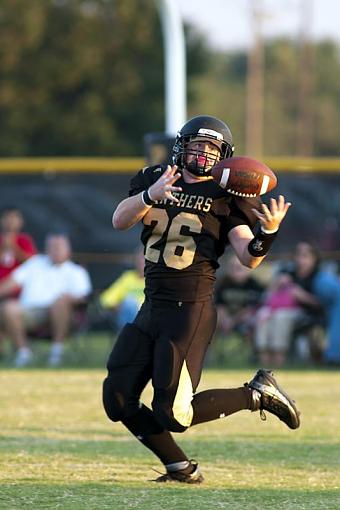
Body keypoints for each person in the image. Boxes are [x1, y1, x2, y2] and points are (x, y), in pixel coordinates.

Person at [102, 115, 300, 484]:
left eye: (213, 148)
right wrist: (149, 196)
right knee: (117, 397)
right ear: (182, 145)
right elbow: (119, 220)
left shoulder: (229, 196)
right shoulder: (154, 176)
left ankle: (256, 394)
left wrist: (267, 233)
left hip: (189, 310)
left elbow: (248, 255)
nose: (205, 153)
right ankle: (181, 469)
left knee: (173, 415)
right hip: (152, 305)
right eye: (198, 145)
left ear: (224, 155)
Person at [0, 233, 92, 367]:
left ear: (68, 249)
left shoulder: (76, 271)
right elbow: (10, 283)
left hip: (62, 315)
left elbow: (84, 297)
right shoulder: (34, 263)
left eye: (59, 247)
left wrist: (66, 299)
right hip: (29, 313)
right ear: (46, 249)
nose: (56, 250)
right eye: (52, 247)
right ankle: (24, 353)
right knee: (8, 307)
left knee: (60, 303)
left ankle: (56, 352)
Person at [289, 242, 340, 365]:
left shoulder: (321, 279)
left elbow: (320, 304)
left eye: (305, 256)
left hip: (320, 314)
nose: (301, 259)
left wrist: (303, 296)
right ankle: (334, 356)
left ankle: (334, 356)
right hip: (297, 313)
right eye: (299, 255)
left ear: (314, 258)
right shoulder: (289, 274)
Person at [215, 252, 264, 344]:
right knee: (211, 320)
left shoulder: (254, 285)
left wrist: (232, 321)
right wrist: (225, 319)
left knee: (251, 321)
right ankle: (211, 353)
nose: (235, 270)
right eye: (232, 267)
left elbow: (251, 309)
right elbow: (219, 305)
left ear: (247, 269)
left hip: (243, 318)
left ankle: (250, 353)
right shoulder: (223, 283)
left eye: (238, 268)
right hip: (226, 317)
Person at [99, 250, 145, 330]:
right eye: (140, 260)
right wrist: (121, 307)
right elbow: (105, 299)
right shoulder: (127, 278)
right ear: (135, 262)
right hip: (128, 318)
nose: (142, 263)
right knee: (129, 302)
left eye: (145, 260)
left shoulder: (155, 280)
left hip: (148, 318)